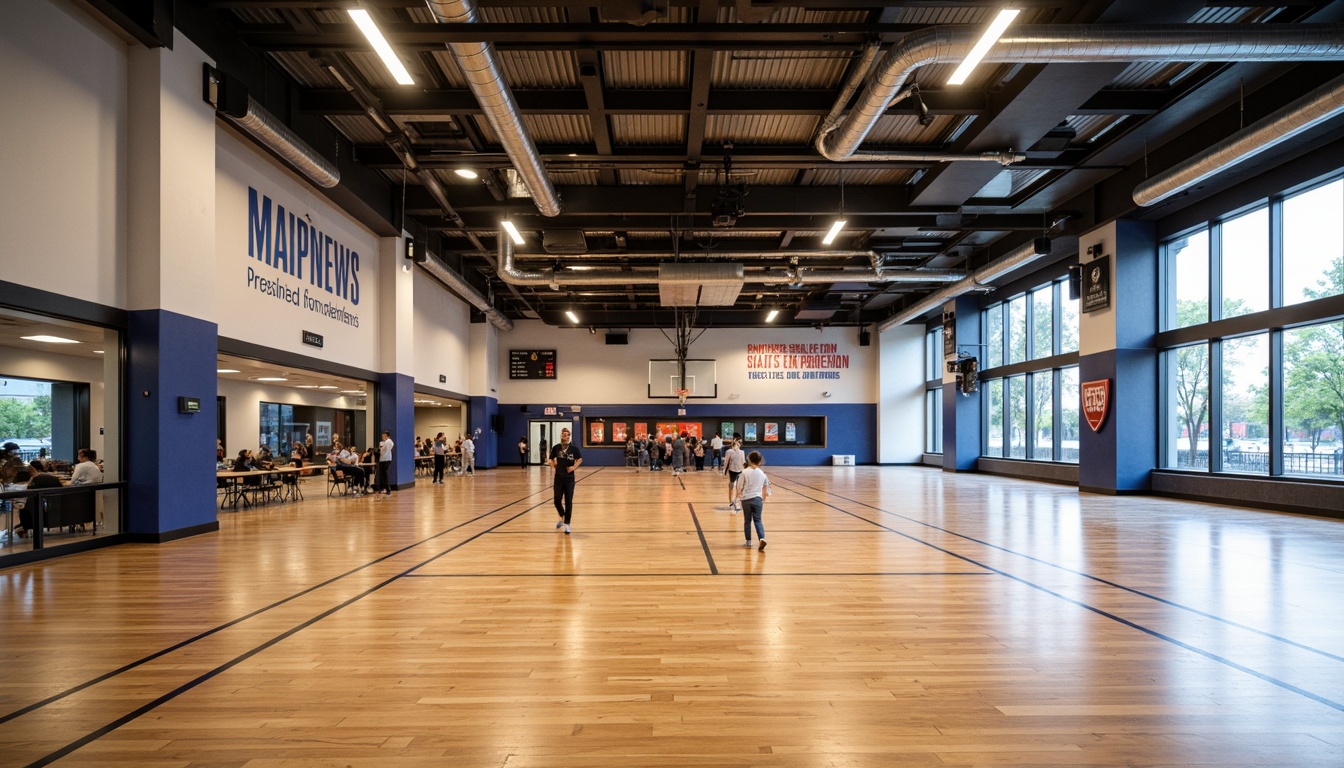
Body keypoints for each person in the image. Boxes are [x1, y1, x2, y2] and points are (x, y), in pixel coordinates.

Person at [549, 427, 582, 535]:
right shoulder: (556, 448)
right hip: (558, 478)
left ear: (569, 436)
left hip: (569, 479)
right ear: (561, 435)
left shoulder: (574, 449)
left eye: (567, 434)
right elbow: (550, 458)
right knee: (557, 500)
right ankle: (562, 516)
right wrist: (553, 464)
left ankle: (567, 524)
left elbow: (579, 459)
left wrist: (573, 467)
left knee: (568, 501)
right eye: (563, 434)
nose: (565, 436)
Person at [734, 450, 771, 550]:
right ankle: (762, 538)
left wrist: (739, 496)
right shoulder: (762, 473)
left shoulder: (744, 472)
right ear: (760, 462)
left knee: (747, 521)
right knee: (758, 520)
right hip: (757, 499)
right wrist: (763, 499)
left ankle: (748, 541)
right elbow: (766, 486)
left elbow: (739, 487)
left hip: (746, 500)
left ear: (749, 460)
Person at [723, 439, 746, 512]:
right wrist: (724, 473)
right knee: (731, 486)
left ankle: (736, 501)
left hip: (740, 471)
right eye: (736, 443)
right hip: (732, 471)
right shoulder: (729, 452)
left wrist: (745, 472)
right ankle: (731, 501)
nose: (737, 444)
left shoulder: (742, 452)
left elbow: (743, 462)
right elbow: (726, 462)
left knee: (738, 487)